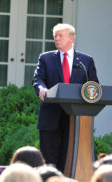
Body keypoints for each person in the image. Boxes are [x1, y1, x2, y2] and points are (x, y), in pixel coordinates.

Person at [32, 23, 99, 172]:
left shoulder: (85, 61)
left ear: (71, 38)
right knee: (49, 164)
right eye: (55, 36)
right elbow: (38, 79)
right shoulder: (46, 58)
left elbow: (94, 87)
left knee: (69, 162)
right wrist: (42, 89)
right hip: (51, 118)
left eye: (60, 35)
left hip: (76, 120)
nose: (57, 38)